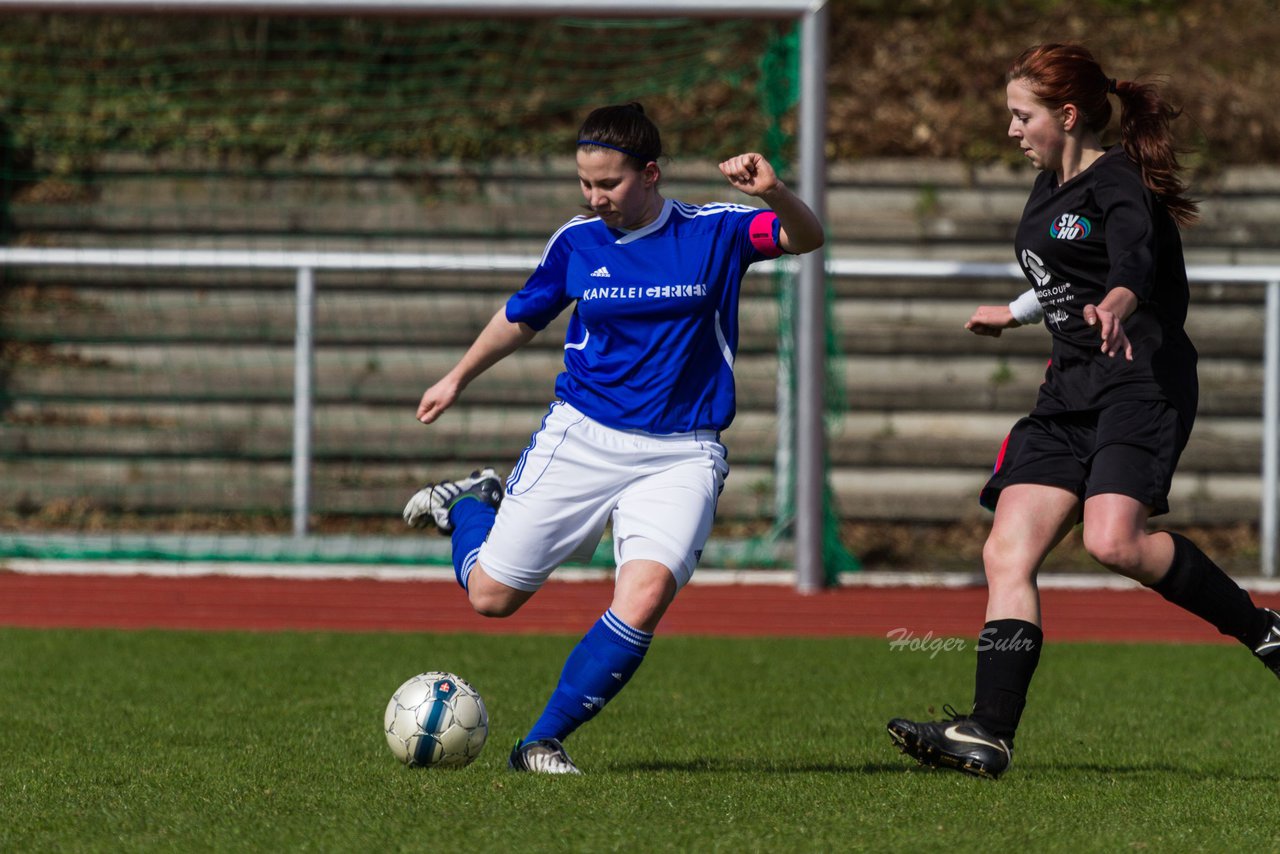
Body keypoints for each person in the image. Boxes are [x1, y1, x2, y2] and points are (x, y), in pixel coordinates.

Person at [886, 43, 1280, 780]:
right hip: (1067, 391)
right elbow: (1069, 269)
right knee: (1006, 553)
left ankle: (1264, 631)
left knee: (1115, 542)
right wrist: (1014, 311)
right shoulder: (1046, 187)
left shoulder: (1121, 182)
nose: (1011, 130)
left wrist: (1119, 304)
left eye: (1020, 115)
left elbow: (1130, 263)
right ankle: (988, 733)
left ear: (1066, 116)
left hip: (1139, 380)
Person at [402, 103, 825, 774]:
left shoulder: (716, 230)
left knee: (646, 594)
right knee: (491, 598)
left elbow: (806, 237)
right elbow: (523, 316)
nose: (595, 198)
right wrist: (457, 377)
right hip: (584, 436)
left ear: (650, 174)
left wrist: (773, 191)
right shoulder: (577, 241)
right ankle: (469, 505)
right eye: (585, 183)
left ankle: (540, 741)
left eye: (609, 184)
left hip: (683, 451)